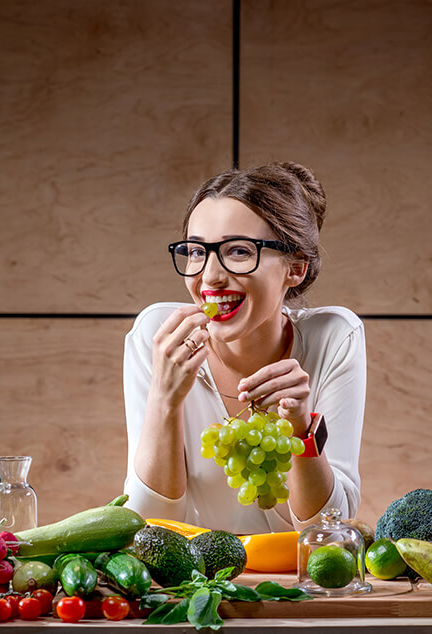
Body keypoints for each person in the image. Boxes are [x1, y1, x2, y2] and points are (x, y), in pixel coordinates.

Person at [122, 162, 366, 534]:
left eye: (238, 251)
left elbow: (330, 532)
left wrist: (301, 429)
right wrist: (164, 401)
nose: (209, 276)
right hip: (192, 587)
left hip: (292, 587)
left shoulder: (334, 337)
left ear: (295, 267)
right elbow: (147, 527)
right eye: (196, 251)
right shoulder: (159, 336)